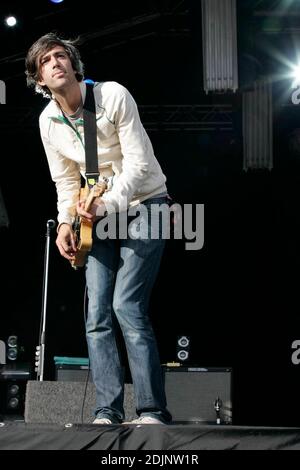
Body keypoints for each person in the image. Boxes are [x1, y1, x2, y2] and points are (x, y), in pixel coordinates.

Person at [25, 33, 172, 425]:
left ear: (73, 65)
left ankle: (151, 410)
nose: (55, 63)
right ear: (39, 78)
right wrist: (65, 225)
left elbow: (139, 165)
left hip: (145, 203)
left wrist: (106, 205)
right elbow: (66, 183)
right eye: (45, 61)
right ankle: (107, 410)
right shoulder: (48, 122)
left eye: (60, 56)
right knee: (96, 315)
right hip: (95, 215)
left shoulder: (112, 95)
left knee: (127, 306)